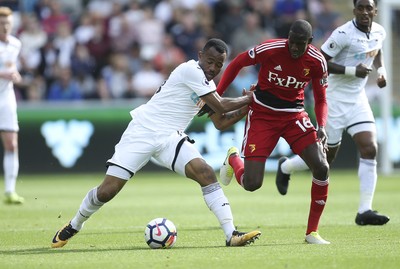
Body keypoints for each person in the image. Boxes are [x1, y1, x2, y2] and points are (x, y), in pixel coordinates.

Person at [51, 38, 261, 248]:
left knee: (205, 172)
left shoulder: (208, 86)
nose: (212, 68)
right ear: (200, 56)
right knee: (107, 191)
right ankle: (75, 224)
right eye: (210, 61)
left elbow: (221, 122)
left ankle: (230, 234)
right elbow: (223, 106)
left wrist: (247, 108)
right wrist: (252, 98)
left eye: (218, 65)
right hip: (143, 131)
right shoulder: (190, 71)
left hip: (170, 137)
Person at [215, 19, 331, 244]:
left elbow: (321, 98)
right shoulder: (271, 48)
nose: (295, 48)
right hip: (262, 114)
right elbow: (238, 62)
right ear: (288, 37)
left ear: (310, 42)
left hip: (294, 115)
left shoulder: (317, 61)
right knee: (252, 184)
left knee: (322, 166)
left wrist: (322, 126)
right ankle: (233, 158)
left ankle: (312, 233)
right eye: (292, 42)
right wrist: (217, 95)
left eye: (301, 44)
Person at [275, 0, 390, 226]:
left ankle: (364, 210)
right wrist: (351, 70)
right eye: (361, 8)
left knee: (369, 147)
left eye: (369, 8)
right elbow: (320, 61)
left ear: (375, 10)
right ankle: (285, 166)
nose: (365, 12)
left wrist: (382, 71)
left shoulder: (379, 31)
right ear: (354, 10)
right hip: (334, 100)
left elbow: (376, 50)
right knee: (326, 159)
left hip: (358, 99)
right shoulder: (342, 34)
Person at [0, 7, 24, 204]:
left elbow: (11, 68)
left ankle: (10, 190)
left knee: (11, 144)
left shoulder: (16, 44)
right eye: (1, 23)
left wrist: (15, 75)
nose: (5, 26)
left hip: (6, 97)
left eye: (7, 23)